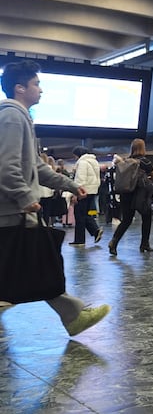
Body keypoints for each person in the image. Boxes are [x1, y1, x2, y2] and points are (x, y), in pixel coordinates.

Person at [0, 59, 110, 335]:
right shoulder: (12, 116)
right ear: (20, 88)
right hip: (11, 211)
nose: (41, 90)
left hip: (14, 211)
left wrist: (70, 185)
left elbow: (36, 167)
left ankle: (72, 315)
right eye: (36, 84)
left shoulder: (21, 117)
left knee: (38, 262)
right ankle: (72, 316)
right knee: (41, 261)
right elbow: (6, 165)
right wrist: (25, 198)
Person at [108, 139, 153, 255]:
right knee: (146, 218)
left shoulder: (126, 161)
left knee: (126, 220)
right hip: (140, 194)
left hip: (126, 193)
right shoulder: (144, 161)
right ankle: (144, 244)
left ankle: (114, 241)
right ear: (142, 148)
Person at [69, 146, 103, 246]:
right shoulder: (94, 161)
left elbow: (80, 179)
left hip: (83, 191)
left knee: (79, 215)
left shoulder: (82, 162)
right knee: (85, 214)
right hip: (92, 190)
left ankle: (80, 240)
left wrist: (76, 193)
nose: (75, 158)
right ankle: (95, 231)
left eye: (75, 155)